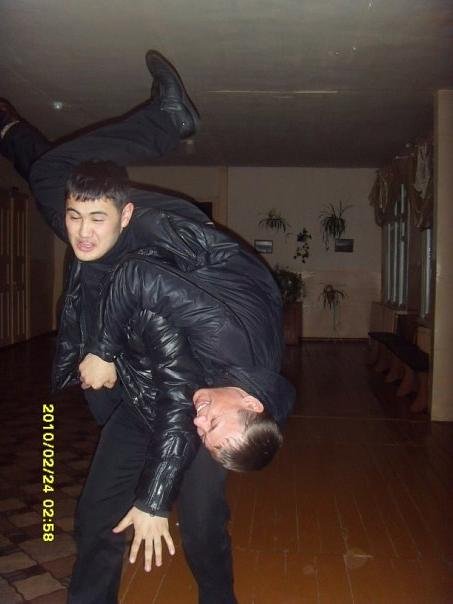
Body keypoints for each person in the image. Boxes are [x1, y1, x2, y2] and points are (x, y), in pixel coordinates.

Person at [0, 51, 294, 604]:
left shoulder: (229, 404)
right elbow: (143, 289)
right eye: (212, 424)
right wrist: (102, 349)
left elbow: (190, 410)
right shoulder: (228, 345)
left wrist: (160, 493)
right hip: (174, 246)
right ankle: (165, 120)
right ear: (250, 403)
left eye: (208, 432)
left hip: (160, 364)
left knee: (201, 521)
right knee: (68, 191)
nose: (203, 423)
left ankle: (13, 133)